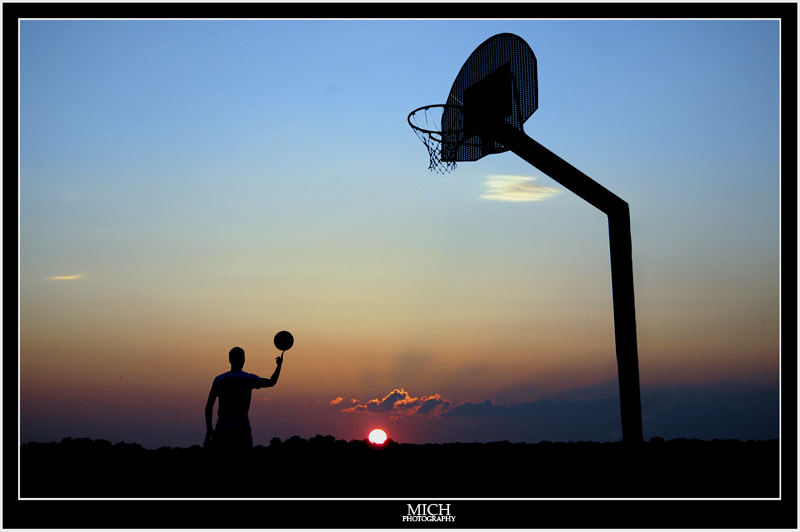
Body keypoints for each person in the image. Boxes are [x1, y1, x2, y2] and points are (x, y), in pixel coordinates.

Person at [204, 346, 283, 450]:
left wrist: (209, 429)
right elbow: (271, 382)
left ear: (230, 360)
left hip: (223, 429)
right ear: (244, 360)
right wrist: (279, 366)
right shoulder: (248, 379)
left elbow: (209, 407)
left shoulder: (219, 380)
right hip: (242, 430)